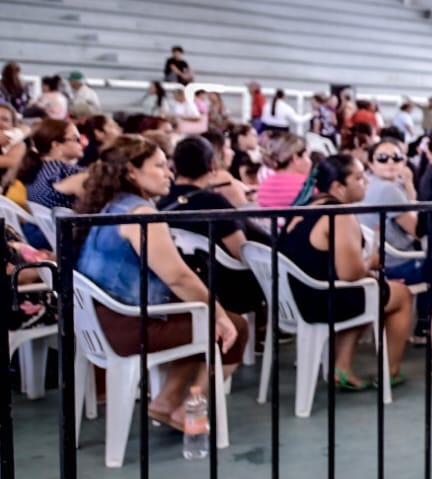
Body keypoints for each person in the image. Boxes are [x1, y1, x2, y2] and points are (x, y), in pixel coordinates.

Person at [75, 136, 245, 429]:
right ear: (132, 171)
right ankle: (191, 411)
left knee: (198, 317)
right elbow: (178, 276)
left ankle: (166, 401)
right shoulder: (141, 215)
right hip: (127, 326)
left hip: (98, 319)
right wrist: (219, 314)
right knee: (235, 328)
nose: (169, 173)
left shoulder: (111, 205)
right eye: (159, 166)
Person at [279, 155, 414, 391]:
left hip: (293, 299)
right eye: (359, 178)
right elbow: (350, 274)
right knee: (401, 295)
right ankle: (390, 372)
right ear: (338, 186)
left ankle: (342, 367)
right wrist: (371, 262)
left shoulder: (305, 206)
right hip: (321, 302)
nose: (366, 182)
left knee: (372, 290)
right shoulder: (339, 214)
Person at [160, 136, 263, 316]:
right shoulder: (214, 203)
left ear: (174, 167)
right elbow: (241, 251)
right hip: (224, 290)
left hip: (177, 289)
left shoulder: (162, 203)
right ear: (212, 165)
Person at [359, 138, 426, 284]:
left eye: (396, 158)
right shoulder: (389, 189)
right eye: (382, 158)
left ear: (404, 161)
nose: (390, 162)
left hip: (378, 260)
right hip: (396, 263)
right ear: (371, 163)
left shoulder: (368, 182)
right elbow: (418, 231)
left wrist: (408, 184)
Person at [18, 121, 88, 243]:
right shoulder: (62, 171)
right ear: (56, 145)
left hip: (38, 234)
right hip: (62, 239)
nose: (81, 143)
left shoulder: (36, 167)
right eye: (75, 139)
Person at [256, 132, 312, 208]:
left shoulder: (263, 187)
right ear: (296, 158)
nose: (310, 162)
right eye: (307, 156)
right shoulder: (308, 187)